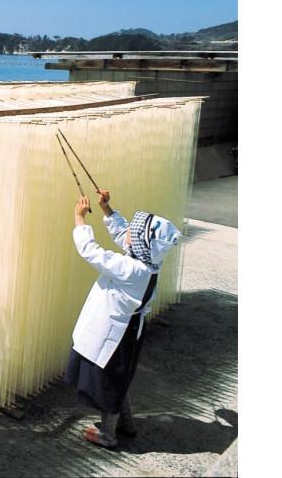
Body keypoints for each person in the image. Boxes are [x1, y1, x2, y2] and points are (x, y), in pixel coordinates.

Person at [63, 189, 182, 448]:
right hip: (128, 333)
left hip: (115, 337)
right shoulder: (148, 262)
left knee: (108, 383)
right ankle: (125, 424)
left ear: (141, 244)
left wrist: (79, 219)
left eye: (133, 232)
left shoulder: (131, 269)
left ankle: (108, 434)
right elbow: (124, 234)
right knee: (120, 378)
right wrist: (106, 209)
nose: (127, 232)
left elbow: (92, 253)